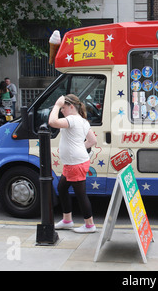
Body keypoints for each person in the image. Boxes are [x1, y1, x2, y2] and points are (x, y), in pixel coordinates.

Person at [49, 94, 98, 233]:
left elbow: (52, 122)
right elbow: (92, 141)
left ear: (71, 107)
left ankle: (89, 225)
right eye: (61, 108)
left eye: (63, 108)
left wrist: (56, 105)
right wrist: (78, 148)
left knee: (80, 194)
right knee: (62, 188)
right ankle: (67, 220)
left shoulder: (72, 119)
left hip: (75, 163)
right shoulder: (82, 121)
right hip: (75, 162)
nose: (62, 111)